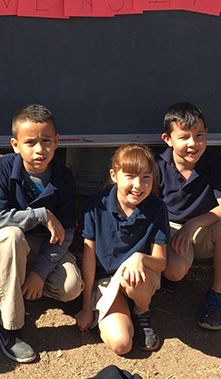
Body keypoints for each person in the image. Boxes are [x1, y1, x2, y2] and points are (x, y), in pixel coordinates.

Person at [0, 104, 83, 363]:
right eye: (30, 142)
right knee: (12, 236)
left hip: (43, 248)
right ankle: (8, 327)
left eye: (46, 141)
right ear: (16, 145)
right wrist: (41, 215)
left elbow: (67, 231)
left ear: (57, 141)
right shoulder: (6, 168)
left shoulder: (63, 176)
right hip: (9, 244)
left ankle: (22, 285)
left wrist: (40, 273)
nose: (40, 149)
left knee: (72, 287)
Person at [76, 144, 169, 355]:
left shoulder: (156, 207)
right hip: (106, 281)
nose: (138, 185)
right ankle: (120, 312)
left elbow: (161, 261)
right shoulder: (95, 206)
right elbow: (89, 257)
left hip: (138, 277)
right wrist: (86, 308)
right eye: (130, 176)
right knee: (121, 344)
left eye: (146, 177)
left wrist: (140, 258)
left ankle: (141, 311)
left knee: (134, 274)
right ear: (114, 175)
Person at [155, 103, 221, 330]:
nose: (193, 144)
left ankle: (216, 296)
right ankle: (166, 277)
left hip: (201, 226)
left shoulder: (213, 161)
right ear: (168, 139)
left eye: (199, 135)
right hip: (170, 228)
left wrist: (194, 223)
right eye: (184, 137)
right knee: (174, 272)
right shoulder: (157, 165)